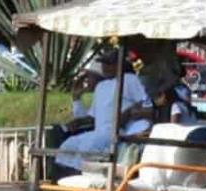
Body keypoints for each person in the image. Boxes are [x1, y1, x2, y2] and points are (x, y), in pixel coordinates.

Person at [53, 49, 152, 179]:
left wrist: (128, 113)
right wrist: (77, 108)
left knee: (87, 146)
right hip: (99, 132)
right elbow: (93, 117)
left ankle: (92, 180)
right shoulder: (102, 86)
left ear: (119, 65)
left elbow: (147, 105)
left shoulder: (129, 79)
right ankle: (68, 181)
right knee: (67, 145)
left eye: (108, 63)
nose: (104, 66)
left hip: (115, 132)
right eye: (103, 63)